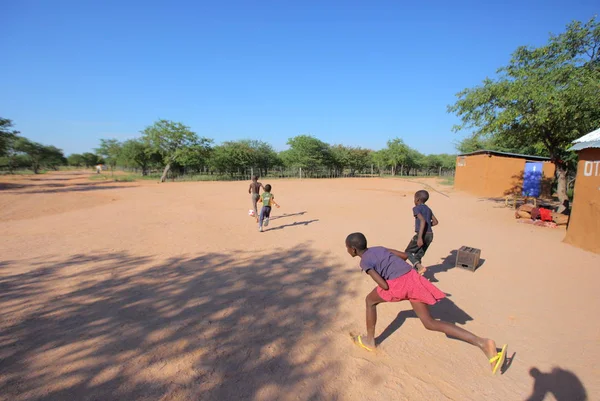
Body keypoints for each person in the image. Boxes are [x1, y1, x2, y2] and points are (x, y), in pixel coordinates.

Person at [345, 232, 507, 374]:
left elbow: (384, 285)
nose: (347, 250)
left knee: (370, 301)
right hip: (413, 278)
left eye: (347, 248)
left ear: (353, 249)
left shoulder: (364, 262)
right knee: (429, 322)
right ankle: (483, 343)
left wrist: (384, 275)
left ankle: (370, 340)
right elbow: (403, 255)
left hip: (398, 284)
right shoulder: (378, 248)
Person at [405, 190, 438, 276]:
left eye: (414, 199)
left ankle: (419, 266)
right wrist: (428, 226)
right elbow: (435, 222)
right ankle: (417, 272)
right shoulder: (428, 209)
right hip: (430, 235)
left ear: (418, 199)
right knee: (418, 256)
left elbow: (422, 220)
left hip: (422, 234)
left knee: (407, 252)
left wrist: (420, 237)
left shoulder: (416, 208)